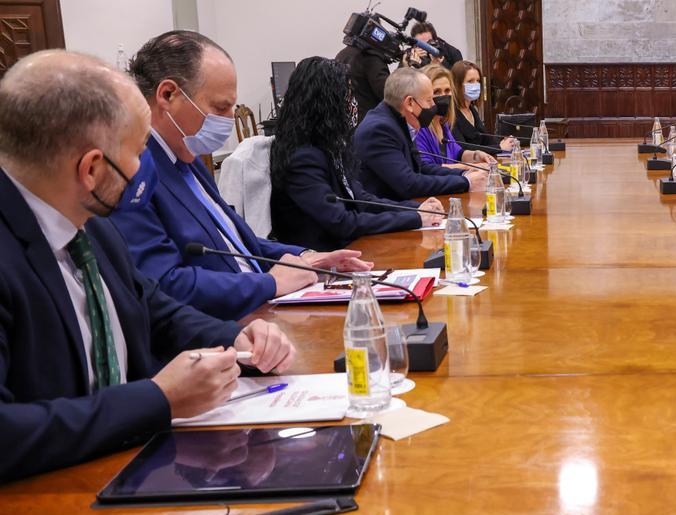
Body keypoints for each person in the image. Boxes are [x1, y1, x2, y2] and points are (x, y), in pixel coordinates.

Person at [0, 50, 296, 482]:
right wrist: (158, 398)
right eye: (138, 153)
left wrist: (237, 339)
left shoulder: (91, 226)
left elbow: (152, 307)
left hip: (139, 473)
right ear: (91, 170)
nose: (143, 171)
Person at [110, 31, 370, 322]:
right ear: (168, 95)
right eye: (220, 107)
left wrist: (306, 257)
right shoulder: (132, 173)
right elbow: (165, 283)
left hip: (261, 310)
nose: (230, 117)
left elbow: (235, 242)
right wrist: (271, 283)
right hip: (224, 327)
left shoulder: (186, 156)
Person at [269, 58, 444, 252]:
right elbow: (342, 222)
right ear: (324, 103)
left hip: (350, 249)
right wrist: (415, 218)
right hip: (323, 262)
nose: (353, 104)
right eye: (347, 97)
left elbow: (361, 198)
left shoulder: (328, 145)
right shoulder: (302, 157)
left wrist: (414, 209)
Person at [354, 67, 487, 201]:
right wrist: (466, 182)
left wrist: (465, 173)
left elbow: (421, 168)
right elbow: (409, 184)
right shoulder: (379, 130)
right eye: (429, 100)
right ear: (410, 103)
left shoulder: (398, 120)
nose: (434, 105)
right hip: (388, 212)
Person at [414, 64, 495, 167]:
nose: (443, 96)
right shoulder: (419, 127)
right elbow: (426, 168)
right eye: (437, 92)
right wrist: (469, 167)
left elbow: (458, 153)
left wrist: (476, 155)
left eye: (447, 90)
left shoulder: (443, 123)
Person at [450, 60, 519, 153]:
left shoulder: (472, 109)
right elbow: (462, 148)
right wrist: (499, 147)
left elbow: (485, 138)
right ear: (456, 84)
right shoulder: (451, 113)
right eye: (470, 81)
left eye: (478, 81)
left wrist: (504, 143)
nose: (475, 85)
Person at [337, 38, 390, 123]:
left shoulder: (342, 54)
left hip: (348, 121)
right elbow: (389, 94)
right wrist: (404, 68)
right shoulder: (371, 57)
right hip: (371, 123)